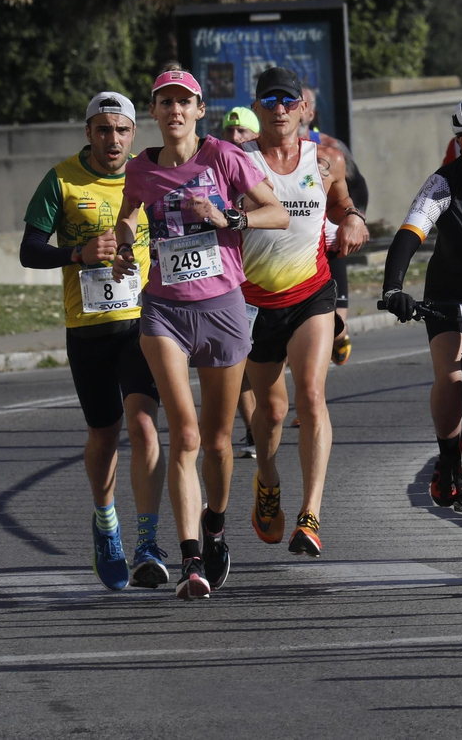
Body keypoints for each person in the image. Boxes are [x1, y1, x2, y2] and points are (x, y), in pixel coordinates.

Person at [111, 69, 289, 600]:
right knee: (184, 435)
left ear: (199, 108)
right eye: (165, 102)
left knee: (216, 441)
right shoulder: (142, 168)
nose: (174, 112)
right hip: (163, 310)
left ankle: (214, 525)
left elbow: (276, 213)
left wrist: (225, 215)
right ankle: (191, 558)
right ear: (155, 111)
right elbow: (127, 216)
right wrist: (123, 244)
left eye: (183, 102)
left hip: (222, 310)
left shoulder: (223, 158)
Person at [18, 91, 166, 591]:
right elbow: (29, 250)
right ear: (89, 133)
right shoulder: (61, 179)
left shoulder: (148, 175)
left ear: (133, 135)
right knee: (105, 434)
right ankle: (107, 524)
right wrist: (77, 253)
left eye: (122, 130)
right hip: (88, 330)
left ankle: (148, 542)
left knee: (144, 425)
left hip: (143, 324)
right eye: (103, 130)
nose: (113, 140)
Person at [241, 66, 368, 558]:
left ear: (302, 109)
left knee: (311, 397)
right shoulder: (240, 161)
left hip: (311, 292)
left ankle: (310, 513)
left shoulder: (326, 159)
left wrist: (353, 218)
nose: (279, 109)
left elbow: (340, 203)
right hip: (254, 302)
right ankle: (267, 479)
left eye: (287, 101)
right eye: (269, 101)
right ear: (256, 108)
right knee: (271, 411)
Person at [381, 90, 462, 508]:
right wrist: (393, 288)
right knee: (451, 378)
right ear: (459, 144)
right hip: (450, 292)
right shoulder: (443, 182)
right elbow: (411, 232)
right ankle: (449, 459)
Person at [300, 86, 366, 365]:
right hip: (298, 243)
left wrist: (354, 219)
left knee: (336, 324)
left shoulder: (330, 148)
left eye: (298, 104)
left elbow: (358, 186)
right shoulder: (266, 153)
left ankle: (338, 336)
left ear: (310, 112)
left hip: (330, 236)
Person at [221, 106, 262, 459]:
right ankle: (253, 429)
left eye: (243, 133)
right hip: (235, 284)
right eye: (229, 132)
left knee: (263, 363)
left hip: (270, 281)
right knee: (239, 362)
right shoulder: (216, 173)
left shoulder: (263, 174)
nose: (235, 139)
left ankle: (263, 422)